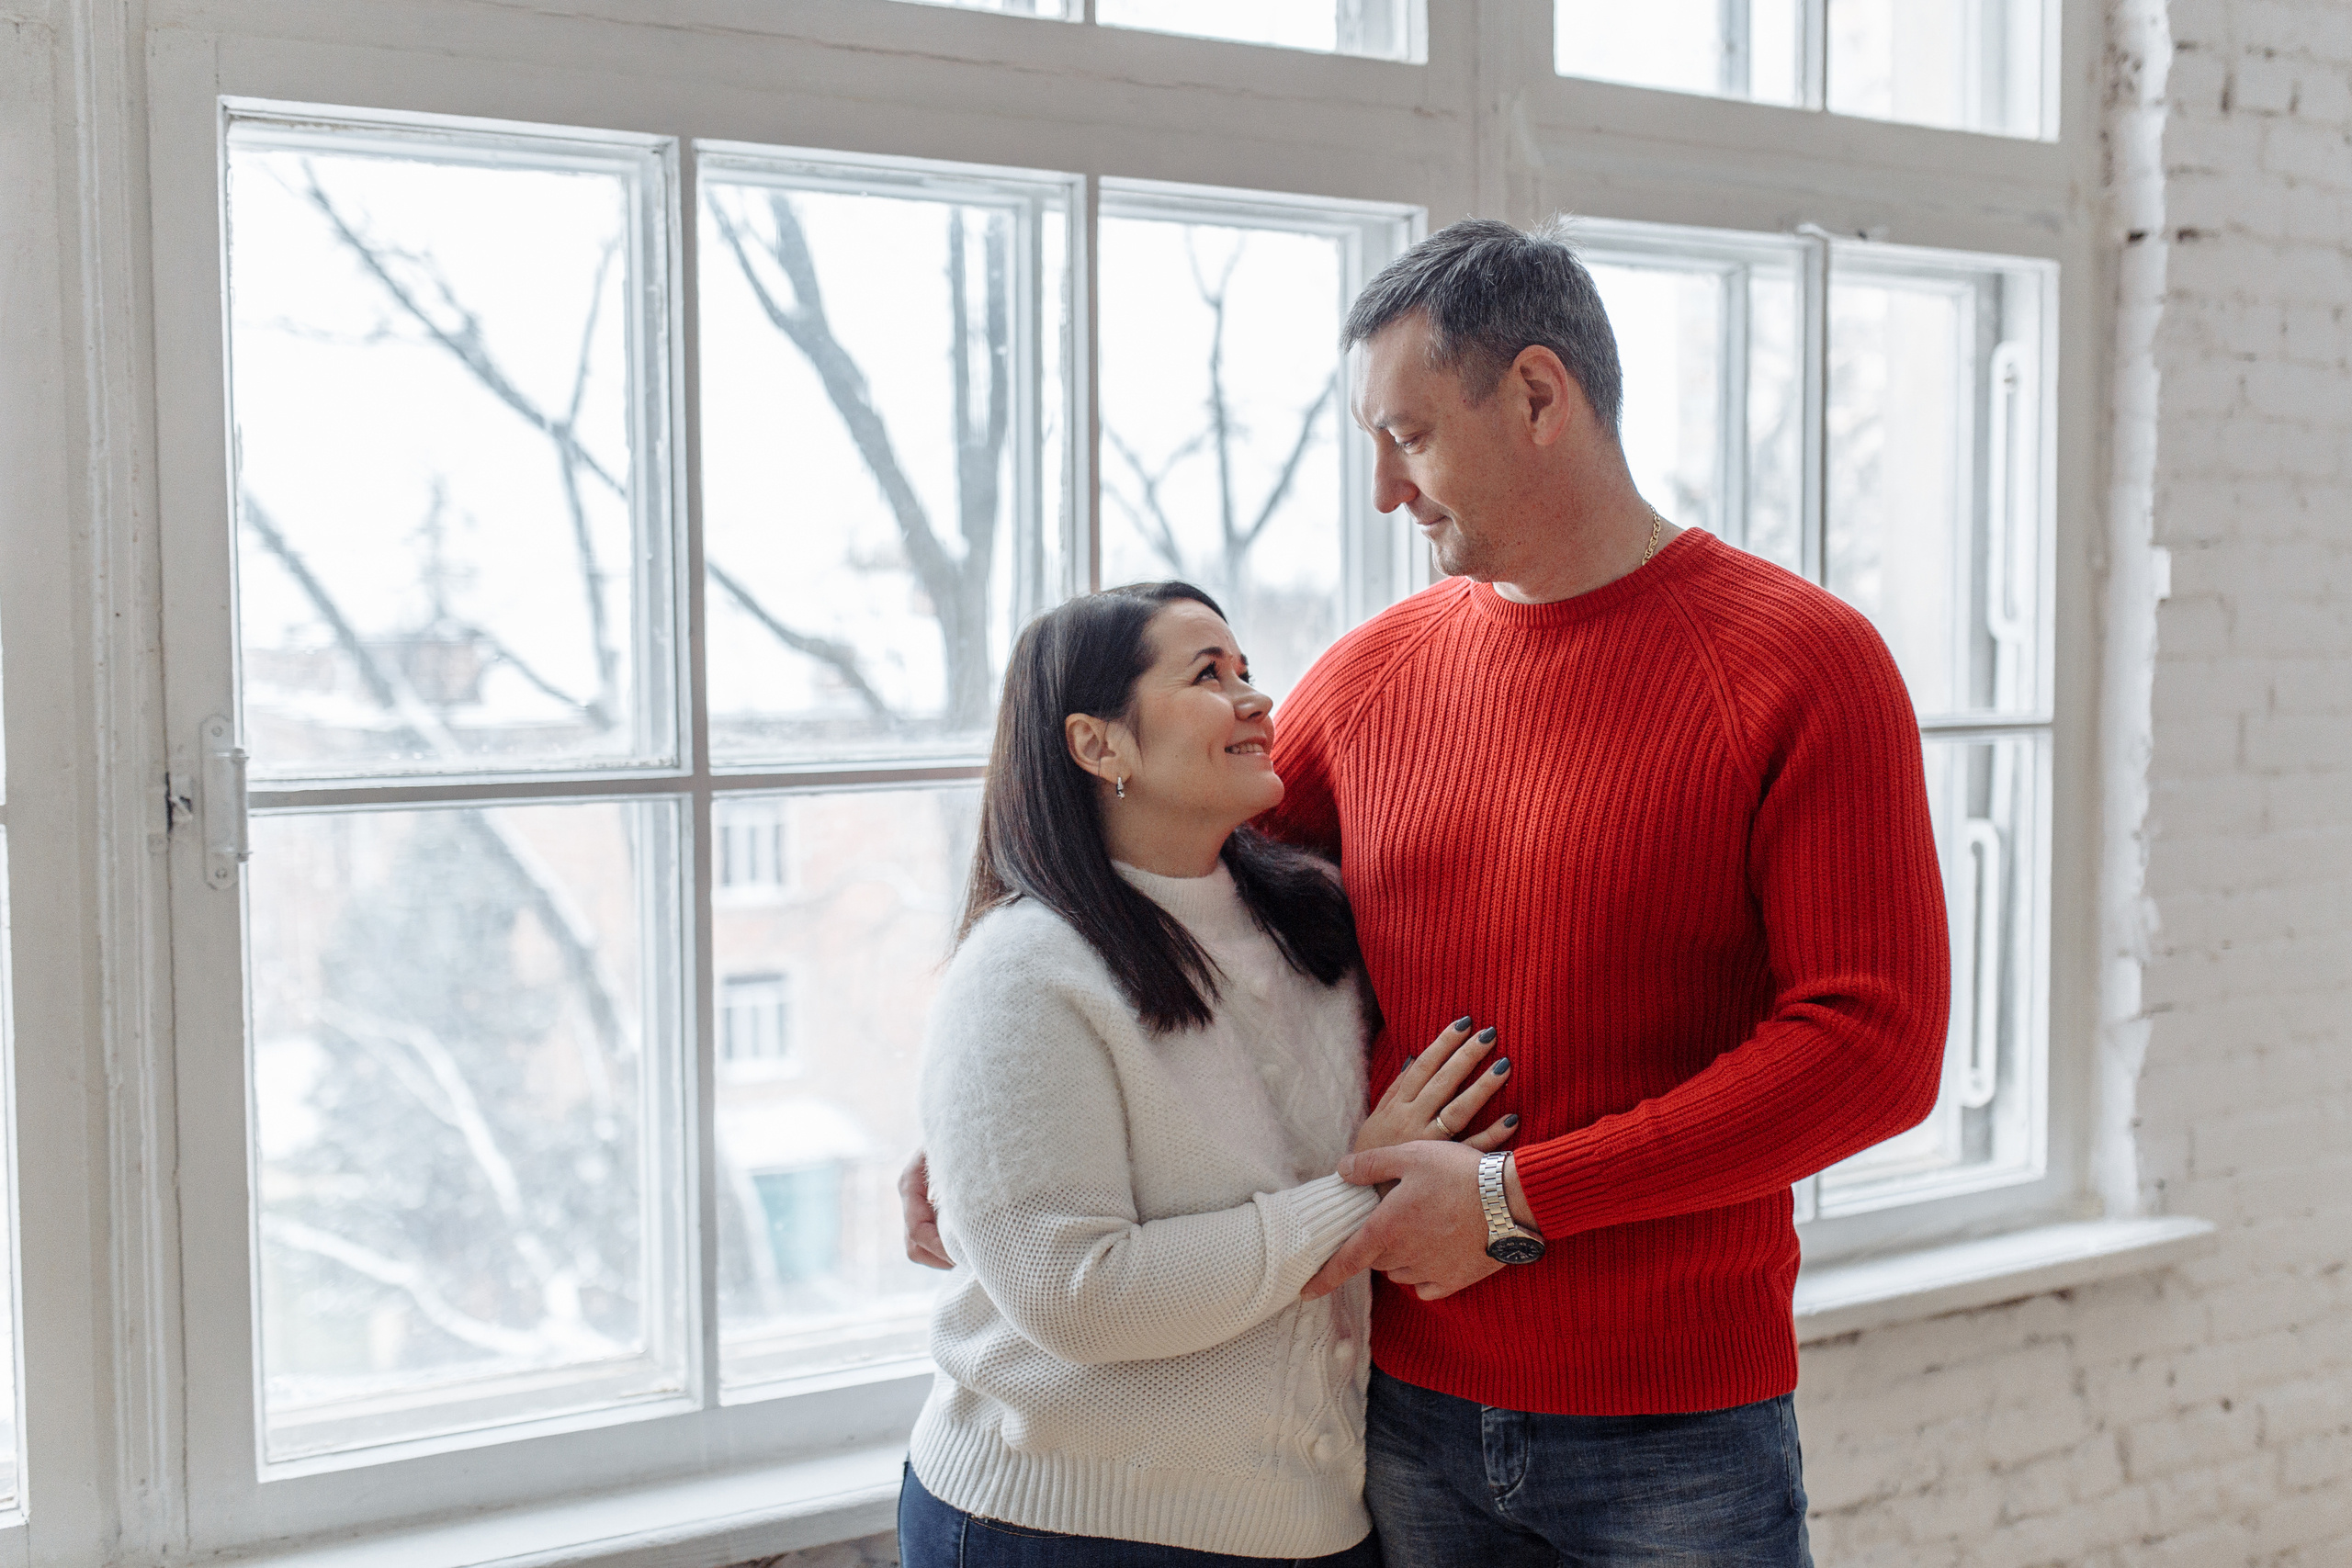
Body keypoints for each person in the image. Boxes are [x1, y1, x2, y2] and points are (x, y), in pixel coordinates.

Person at [910, 218, 1952, 1565]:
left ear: (1536, 396)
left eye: (1407, 437)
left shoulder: (1804, 664)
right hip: (1396, 1412)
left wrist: (1519, 1199)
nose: (1384, 492)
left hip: (1674, 1423)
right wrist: (985, 1138)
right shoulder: (1370, 678)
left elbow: (1872, 1051)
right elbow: (1149, 891)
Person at [899, 580, 1523, 1568]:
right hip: (1064, 1526)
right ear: (1097, 744)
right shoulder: (1022, 971)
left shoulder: (1314, 916)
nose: (1257, 699)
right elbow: (1076, 1295)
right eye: (1206, 675)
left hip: (1313, 1517)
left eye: (1245, 670)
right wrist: (1359, 1196)